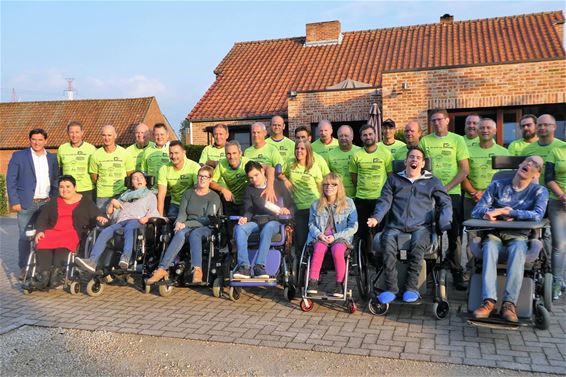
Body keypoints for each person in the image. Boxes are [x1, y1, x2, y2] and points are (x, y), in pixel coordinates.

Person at [367, 146, 452, 304]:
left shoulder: (432, 181)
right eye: (411, 157)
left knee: (418, 246)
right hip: (395, 225)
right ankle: (391, 288)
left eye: (418, 158)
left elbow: (446, 202)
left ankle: (411, 288)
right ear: (405, 161)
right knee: (387, 244)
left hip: (421, 226)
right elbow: (385, 201)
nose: (414, 160)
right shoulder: (394, 179)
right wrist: (376, 218)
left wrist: (445, 221)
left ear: (423, 163)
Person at [471, 156, 549, 322]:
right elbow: (477, 211)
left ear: (536, 174)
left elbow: (537, 215)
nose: (529, 164)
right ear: (519, 165)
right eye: (527, 161)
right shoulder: (497, 185)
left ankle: (509, 304)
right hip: (495, 234)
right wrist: (490, 213)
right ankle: (489, 302)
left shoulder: (539, 191)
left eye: (535, 164)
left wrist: (509, 212)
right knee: (490, 247)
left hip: (519, 236)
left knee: (518, 250)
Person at [419, 109, 470, 290]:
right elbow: (420, 167)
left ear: (447, 120)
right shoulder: (425, 141)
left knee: (454, 234)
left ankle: (456, 270)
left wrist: (445, 189)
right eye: (433, 120)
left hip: (452, 194)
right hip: (429, 195)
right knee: (429, 230)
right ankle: (431, 270)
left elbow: (464, 170)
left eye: (440, 119)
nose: (436, 123)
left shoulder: (458, 140)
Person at [147, 166, 222, 285]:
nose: (202, 179)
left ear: (210, 180)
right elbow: (182, 214)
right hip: (187, 226)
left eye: (205, 177)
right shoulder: (188, 193)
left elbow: (207, 219)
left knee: (195, 234)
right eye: (200, 176)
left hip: (205, 228)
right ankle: (162, 269)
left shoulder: (214, 197)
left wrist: (185, 224)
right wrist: (178, 223)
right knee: (180, 233)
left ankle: (197, 270)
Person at [75, 171, 161, 272]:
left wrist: (146, 218)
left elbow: (154, 212)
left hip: (136, 221)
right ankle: (92, 261)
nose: (138, 180)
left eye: (141, 177)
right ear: (130, 182)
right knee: (105, 231)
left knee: (129, 228)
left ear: (146, 181)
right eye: (134, 178)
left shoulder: (150, 195)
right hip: (120, 221)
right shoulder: (124, 196)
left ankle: (126, 258)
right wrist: (112, 203)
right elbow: (110, 214)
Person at [32, 176, 107, 288]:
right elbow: (43, 218)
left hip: (73, 232)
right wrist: (40, 231)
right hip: (54, 231)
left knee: (64, 242)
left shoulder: (85, 201)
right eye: (61, 187)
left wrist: (100, 217)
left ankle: (57, 276)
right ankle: (43, 276)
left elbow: (96, 213)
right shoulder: (54, 201)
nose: (64, 189)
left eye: (68, 186)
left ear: (75, 187)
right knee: (42, 242)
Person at [7, 128, 59, 271]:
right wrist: (14, 201)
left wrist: (53, 198)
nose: (37, 142)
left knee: (44, 236)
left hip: (45, 203)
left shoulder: (52, 158)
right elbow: (11, 179)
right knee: (25, 237)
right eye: (34, 139)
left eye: (40, 140)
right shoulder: (19, 156)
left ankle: (42, 266)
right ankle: (24, 268)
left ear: (46, 141)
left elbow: (56, 180)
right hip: (26, 204)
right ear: (30, 140)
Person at [233, 161, 293, 279]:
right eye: (250, 178)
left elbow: (291, 204)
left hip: (274, 221)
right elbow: (248, 209)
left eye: (256, 175)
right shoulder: (250, 190)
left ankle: (259, 266)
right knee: (240, 229)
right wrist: (245, 217)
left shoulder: (278, 186)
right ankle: (244, 267)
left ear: (262, 171)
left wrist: (287, 210)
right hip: (256, 222)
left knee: (269, 227)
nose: (254, 180)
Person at [306, 173, 358, 297]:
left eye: (333, 184)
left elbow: (354, 226)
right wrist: (319, 235)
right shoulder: (315, 204)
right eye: (326, 184)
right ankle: (313, 281)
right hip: (321, 236)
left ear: (339, 187)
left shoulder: (349, 203)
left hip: (340, 237)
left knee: (338, 251)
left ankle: (340, 285)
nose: (329, 187)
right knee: (318, 249)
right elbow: (311, 224)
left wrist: (335, 237)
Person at [349, 124, 392, 253]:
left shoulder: (385, 153)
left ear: (375, 135)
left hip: (380, 199)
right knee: (363, 232)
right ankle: (366, 259)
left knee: (381, 230)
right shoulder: (357, 155)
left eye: (370, 134)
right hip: (362, 198)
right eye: (365, 135)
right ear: (361, 138)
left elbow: (390, 176)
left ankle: (381, 258)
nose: (368, 137)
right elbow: (354, 177)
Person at [280, 140, 326, 256]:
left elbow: (321, 188)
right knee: (300, 241)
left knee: (316, 239)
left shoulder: (314, 166)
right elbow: (279, 173)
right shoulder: (290, 162)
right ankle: (302, 267)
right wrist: (285, 180)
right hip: (298, 208)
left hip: (314, 207)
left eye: (302, 149)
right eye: (297, 148)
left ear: (308, 151)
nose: (299, 151)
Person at [209, 140, 276, 215]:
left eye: (234, 153)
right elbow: (211, 182)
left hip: (248, 200)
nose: (232, 157)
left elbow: (270, 168)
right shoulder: (222, 164)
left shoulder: (246, 162)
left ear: (240, 153)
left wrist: (270, 187)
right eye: (228, 154)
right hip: (232, 200)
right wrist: (223, 189)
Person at [462, 118, 510, 220]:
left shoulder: (504, 152)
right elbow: (462, 175)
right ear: (477, 131)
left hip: (496, 199)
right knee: (471, 231)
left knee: (493, 231)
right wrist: (475, 193)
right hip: (472, 198)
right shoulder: (467, 151)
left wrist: (486, 193)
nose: (485, 130)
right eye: (482, 128)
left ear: (495, 131)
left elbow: (505, 179)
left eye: (488, 128)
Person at [89, 125, 135, 210]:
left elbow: (130, 175)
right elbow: (94, 177)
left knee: (120, 220)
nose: (107, 138)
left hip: (121, 194)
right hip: (102, 195)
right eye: (104, 135)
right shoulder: (95, 155)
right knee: (103, 221)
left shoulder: (125, 153)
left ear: (115, 135)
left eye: (109, 135)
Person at [157, 141, 201, 217]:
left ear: (184, 153)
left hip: (191, 203)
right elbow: (161, 195)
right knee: (170, 225)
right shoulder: (164, 169)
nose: (173, 156)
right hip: (174, 204)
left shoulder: (194, 166)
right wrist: (160, 217)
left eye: (176, 153)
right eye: (171, 153)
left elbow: (198, 189)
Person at [545, 144, 566, 299]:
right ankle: (557, 281)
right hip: (558, 202)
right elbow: (549, 178)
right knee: (559, 244)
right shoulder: (556, 151)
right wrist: (562, 196)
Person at [57, 121, 96, 201]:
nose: (74, 135)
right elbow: (59, 169)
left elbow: (95, 170)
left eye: (77, 132)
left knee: (86, 213)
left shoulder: (91, 149)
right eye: (71, 132)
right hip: (68, 190)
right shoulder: (62, 148)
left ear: (82, 132)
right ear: (68, 133)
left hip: (86, 189)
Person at [523, 114, 565, 184]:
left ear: (554, 127)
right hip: (534, 192)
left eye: (546, 125)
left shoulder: (562, 147)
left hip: (559, 192)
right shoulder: (527, 150)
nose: (542, 127)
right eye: (539, 125)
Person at [328, 125, 360, 197]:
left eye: (346, 135)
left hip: (358, 195)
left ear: (352, 137)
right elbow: (329, 176)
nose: (343, 138)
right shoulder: (330, 154)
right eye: (341, 136)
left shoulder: (360, 152)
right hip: (338, 196)